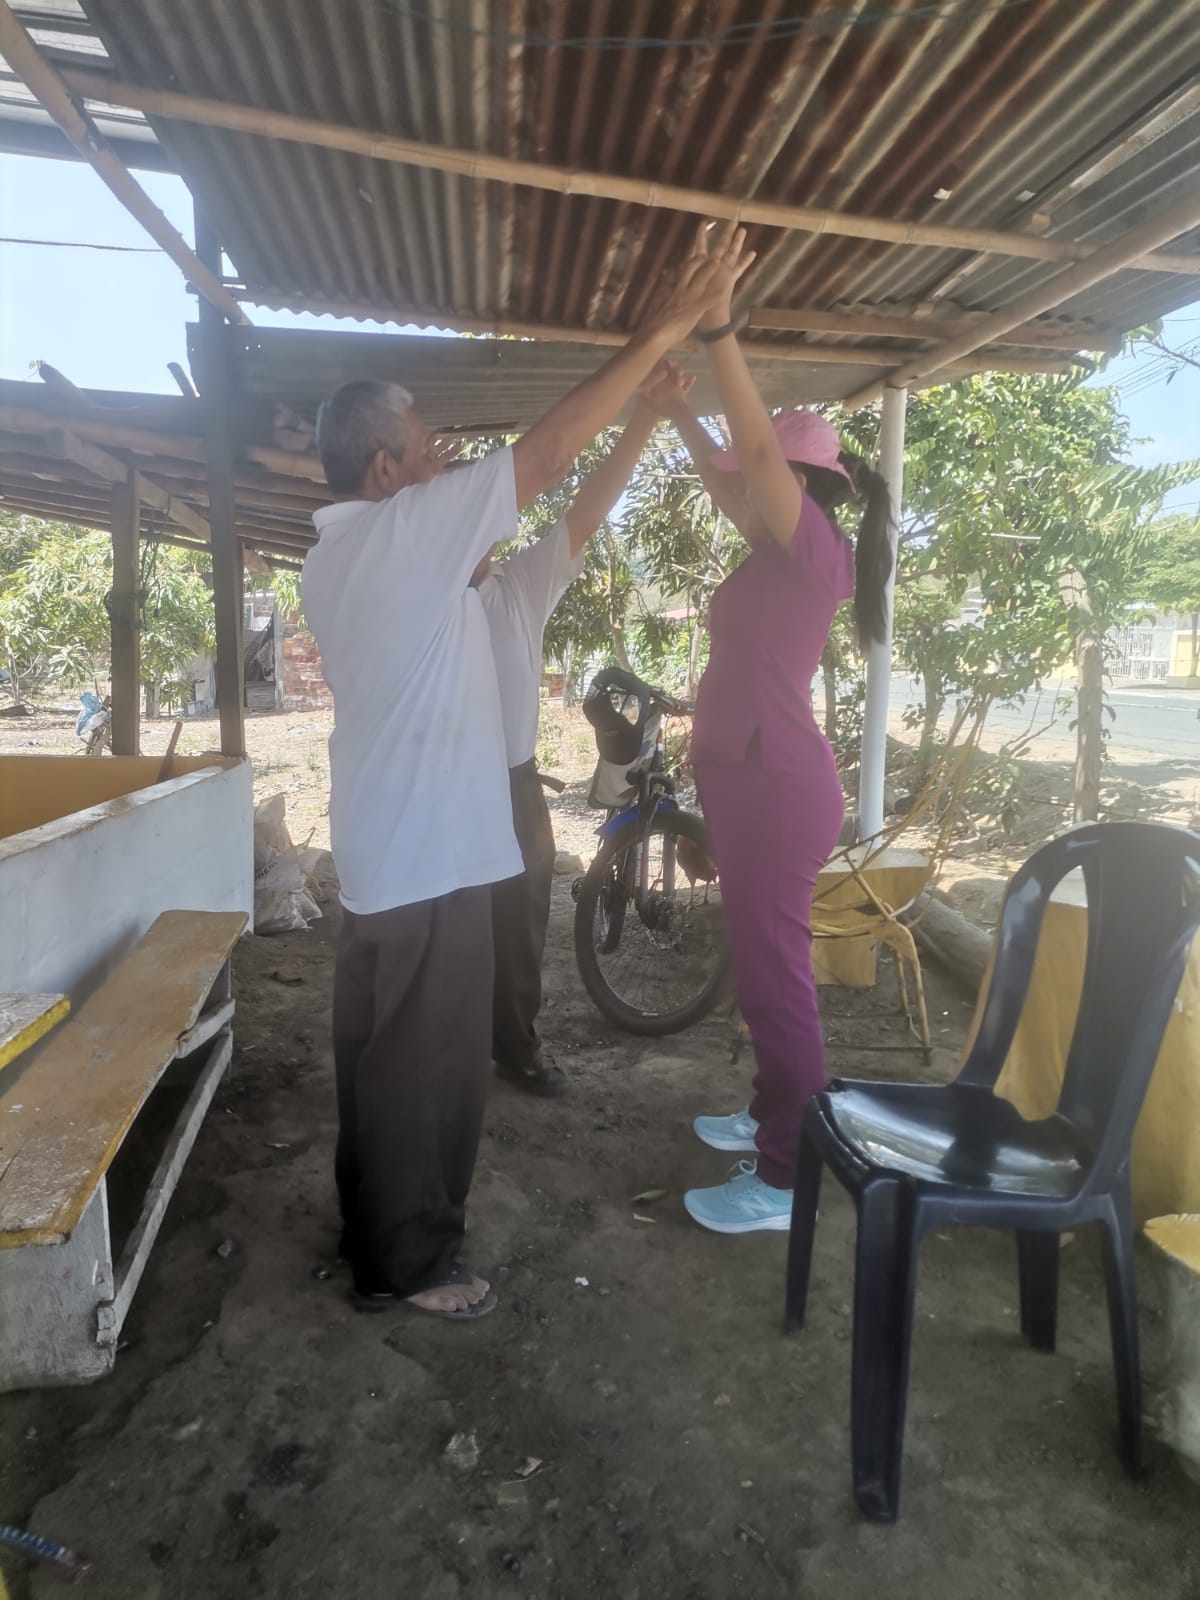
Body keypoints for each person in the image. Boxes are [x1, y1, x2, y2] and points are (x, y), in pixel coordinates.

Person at [300, 238, 752, 1320]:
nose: (445, 459)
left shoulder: (346, 559)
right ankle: (415, 1264)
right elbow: (545, 459)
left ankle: (373, 1232)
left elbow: (564, 507)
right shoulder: (399, 537)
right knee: (431, 1066)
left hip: (388, 854)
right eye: (428, 447)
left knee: (380, 1058)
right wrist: (666, 326)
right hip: (428, 861)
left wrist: (643, 410)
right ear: (386, 471)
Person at [644, 224, 894, 1236]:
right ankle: (768, 1115)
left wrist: (720, 332)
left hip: (778, 790)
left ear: (799, 487)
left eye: (762, 478)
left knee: (777, 981)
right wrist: (676, 411)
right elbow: (731, 471)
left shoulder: (814, 548)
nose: (740, 491)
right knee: (760, 972)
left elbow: (748, 458)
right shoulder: (775, 550)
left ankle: (788, 1178)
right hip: (756, 784)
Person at [479, 390, 666, 1098]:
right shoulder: (421, 595)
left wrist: (645, 417)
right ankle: (445, 1047)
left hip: (512, 782)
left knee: (520, 920)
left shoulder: (518, 587)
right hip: (436, 784)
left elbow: (588, 509)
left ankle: (514, 1047)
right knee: (440, 926)